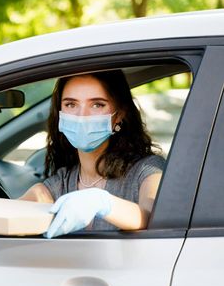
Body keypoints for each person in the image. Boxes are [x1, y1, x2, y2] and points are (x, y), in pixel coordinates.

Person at [20, 70, 164, 238]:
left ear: (119, 115)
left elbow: (152, 217)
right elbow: (5, 216)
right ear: (60, 113)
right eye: (71, 105)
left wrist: (102, 203)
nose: (82, 116)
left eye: (97, 104)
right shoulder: (61, 183)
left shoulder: (147, 170)